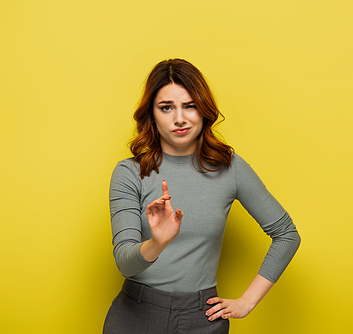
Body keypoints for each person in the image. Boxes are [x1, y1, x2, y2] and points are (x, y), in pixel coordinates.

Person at [103, 59, 300, 334]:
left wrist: (247, 301)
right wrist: (157, 243)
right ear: (152, 114)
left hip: (202, 318)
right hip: (137, 316)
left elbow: (287, 234)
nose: (179, 118)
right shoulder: (129, 173)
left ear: (204, 110)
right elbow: (125, 262)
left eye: (190, 105)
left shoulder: (230, 168)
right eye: (166, 107)